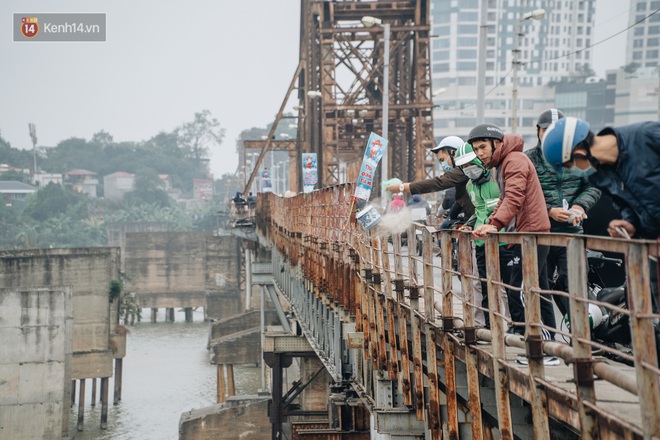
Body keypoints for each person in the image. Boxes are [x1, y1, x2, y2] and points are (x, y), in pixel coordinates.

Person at [542, 117, 660, 312]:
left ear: (579, 153)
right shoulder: (600, 175)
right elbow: (627, 206)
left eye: (569, 166)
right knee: (648, 313)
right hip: (652, 250)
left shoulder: (646, 135)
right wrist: (631, 224)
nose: (574, 173)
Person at [470, 123, 557, 342]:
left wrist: (495, 224)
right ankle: (547, 343)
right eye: (476, 149)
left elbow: (514, 198)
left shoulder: (514, 161)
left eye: (483, 147)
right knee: (539, 291)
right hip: (529, 234)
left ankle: (533, 339)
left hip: (530, 235)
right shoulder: (504, 163)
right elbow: (504, 199)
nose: (479, 154)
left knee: (519, 290)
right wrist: (490, 223)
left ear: (497, 143)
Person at [526, 109, 601, 318]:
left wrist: (579, 206)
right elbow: (523, 194)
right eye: (545, 130)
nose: (550, 134)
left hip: (571, 232)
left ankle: (581, 336)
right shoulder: (528, 159)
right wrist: (548, 211)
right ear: (538, 131)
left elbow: (594, 186)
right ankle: (546, 340)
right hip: (541, 233)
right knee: (540, 288)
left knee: (575, 283)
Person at [454, 141, 513, 329]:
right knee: (482, 285)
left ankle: (515, 327)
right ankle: (484, 327)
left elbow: (507, 206)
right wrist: (468, 225)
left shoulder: (498, 178)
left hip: (502, 240)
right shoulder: (471, 186)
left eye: (470, 164)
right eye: (463, 167)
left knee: (506, 287)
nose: (468, 169)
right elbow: (479, 211)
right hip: (481, 242)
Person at [384, 135, 475, 221]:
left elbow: (438, 183)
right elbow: (460, 201)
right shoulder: (462, 174)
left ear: (453, 152)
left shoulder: (464, 169)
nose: (443, 164)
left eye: (442, 160)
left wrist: (403, 187)